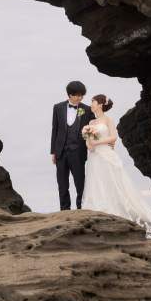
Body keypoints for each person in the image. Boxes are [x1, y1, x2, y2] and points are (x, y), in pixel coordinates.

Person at [81, 94, 151, 238]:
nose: (91, 104)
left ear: (100, 104)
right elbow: (88, 139)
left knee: (111, 182)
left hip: (106, 154)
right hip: (94, 155)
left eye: (93, 101)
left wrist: (97, 142)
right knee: (96, 181)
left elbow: (113, 137)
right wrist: (89, 143)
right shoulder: (91, 121)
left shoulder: (108, 120)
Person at [51, 81, 97, 210]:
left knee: (80, 183)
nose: (80, 98)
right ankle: (65, 210)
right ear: (70, 94)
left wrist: (105, 137)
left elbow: (95, 125)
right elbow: (55, 129)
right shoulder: (58, 107)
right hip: (61, 151)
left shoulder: (86, 109)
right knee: (62, 184)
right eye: (78, 95)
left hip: (78, 151)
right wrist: (54, 152)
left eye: (82, 95)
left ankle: (81, 209)